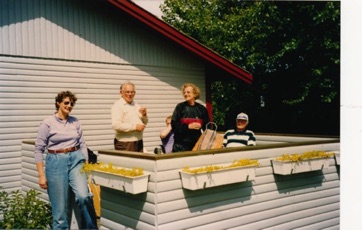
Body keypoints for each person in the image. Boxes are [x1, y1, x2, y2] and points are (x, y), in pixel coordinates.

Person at [34, 91, 98, 229]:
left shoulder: (75, 121)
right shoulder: (47, 123)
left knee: (84, 196)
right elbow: (38, 149)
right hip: (56, 162)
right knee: (60, 211)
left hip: (76, 160)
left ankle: (92, 227)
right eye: (66, 103)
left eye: (71, 104)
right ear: (58, 103)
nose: (69, 106)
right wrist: (41, 175)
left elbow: (82, 144)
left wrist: (86, 166)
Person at [171, 83, 210, 152]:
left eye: (188, 92)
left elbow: (208, 128)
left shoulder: (202, 109)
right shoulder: (180, 107)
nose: (185, 94)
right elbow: (174, 125)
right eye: (184, 92)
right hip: (180, 146)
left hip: (196, 145)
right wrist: (188, 126)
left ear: (195, 94)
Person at [111, 81, 148, 152]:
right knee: (127, 163)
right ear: (121, 93)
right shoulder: (118, 106)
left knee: (140, 163)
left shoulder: (136, 105)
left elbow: (145, 122)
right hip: (125, 144)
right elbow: (116, 125)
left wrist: (144, 116)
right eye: (127, 92)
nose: (130, 94)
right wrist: (134, 127)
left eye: (132, 92)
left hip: (139, 142)